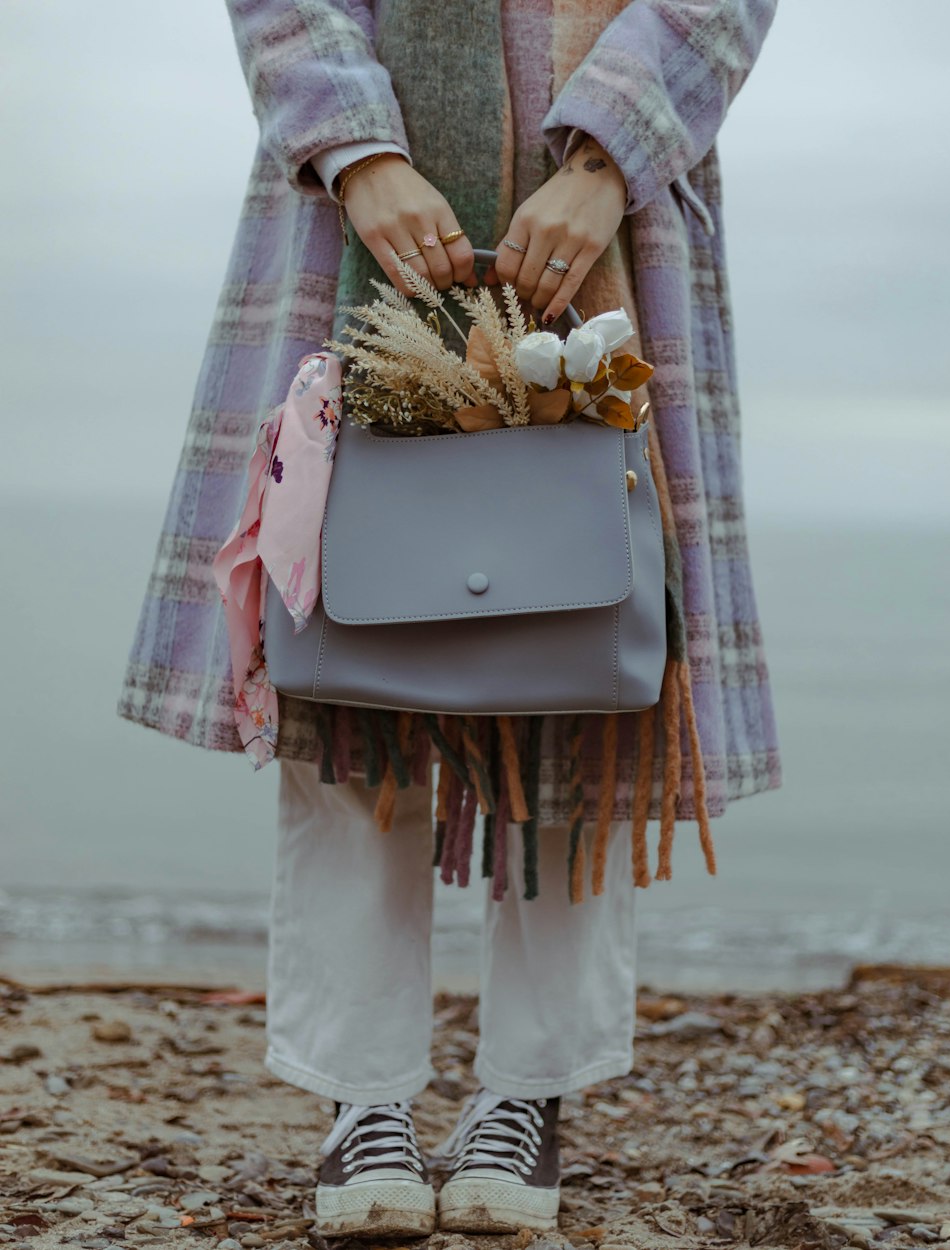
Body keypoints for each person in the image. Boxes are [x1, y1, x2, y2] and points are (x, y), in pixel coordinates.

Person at [118, 0, 781, 1238]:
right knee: (347, 635)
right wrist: (361, 156)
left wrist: (604, 160)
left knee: (583, 649)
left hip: (611, 222)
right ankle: (361, 1096)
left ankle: (527, 1089)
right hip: (350, 213)